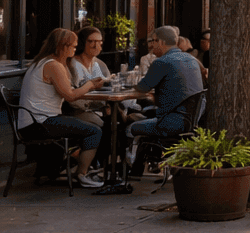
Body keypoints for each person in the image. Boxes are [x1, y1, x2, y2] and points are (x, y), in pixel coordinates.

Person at [17, 28, 105, 188]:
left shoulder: (45, 61)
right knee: (94, 131)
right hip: (39, 123)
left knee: (87, 126)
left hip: (35, 121)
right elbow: (70, 95)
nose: (74, 49)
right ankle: (83, 175)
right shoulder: (53, 65)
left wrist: (87, 87)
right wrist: (90, 84)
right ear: (62, 46)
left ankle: (79, 167)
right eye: (72, 46)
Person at [123, 27, 205, 172]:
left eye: (152, 41)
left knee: (130, 127)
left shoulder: (162, 62)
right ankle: (143, 165)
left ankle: (126, 170)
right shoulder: (191, 59)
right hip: (191, 121)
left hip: (170, 123)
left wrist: (127, 83)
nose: (151, 45)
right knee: (146, 114)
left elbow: (143, 87)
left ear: (160, 42)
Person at [66, 26, 111, 128]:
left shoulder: (97, 64)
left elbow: (106, 84)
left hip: (97, 108)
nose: (96, 46)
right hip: (77, 110)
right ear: (82, 43)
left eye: (99, 41)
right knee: (103, 124)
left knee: (117, 118)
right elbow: (70, 98)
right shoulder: (72, 64)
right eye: (91, 41)